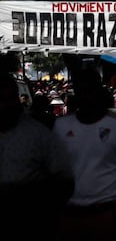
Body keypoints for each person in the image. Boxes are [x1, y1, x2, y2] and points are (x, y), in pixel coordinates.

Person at [53, 69, 116, 241]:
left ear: (99, 92)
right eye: (81, 91)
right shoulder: (61, 126)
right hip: (71, 214)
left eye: (90, 91)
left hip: (106, 211)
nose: (86, 97)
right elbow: (53, 169)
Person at [0, 73, 75, 241]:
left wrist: (43, 210)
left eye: (8, 99)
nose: (3, 105)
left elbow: (64, 180)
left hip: (31, 221)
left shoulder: (39, 135)